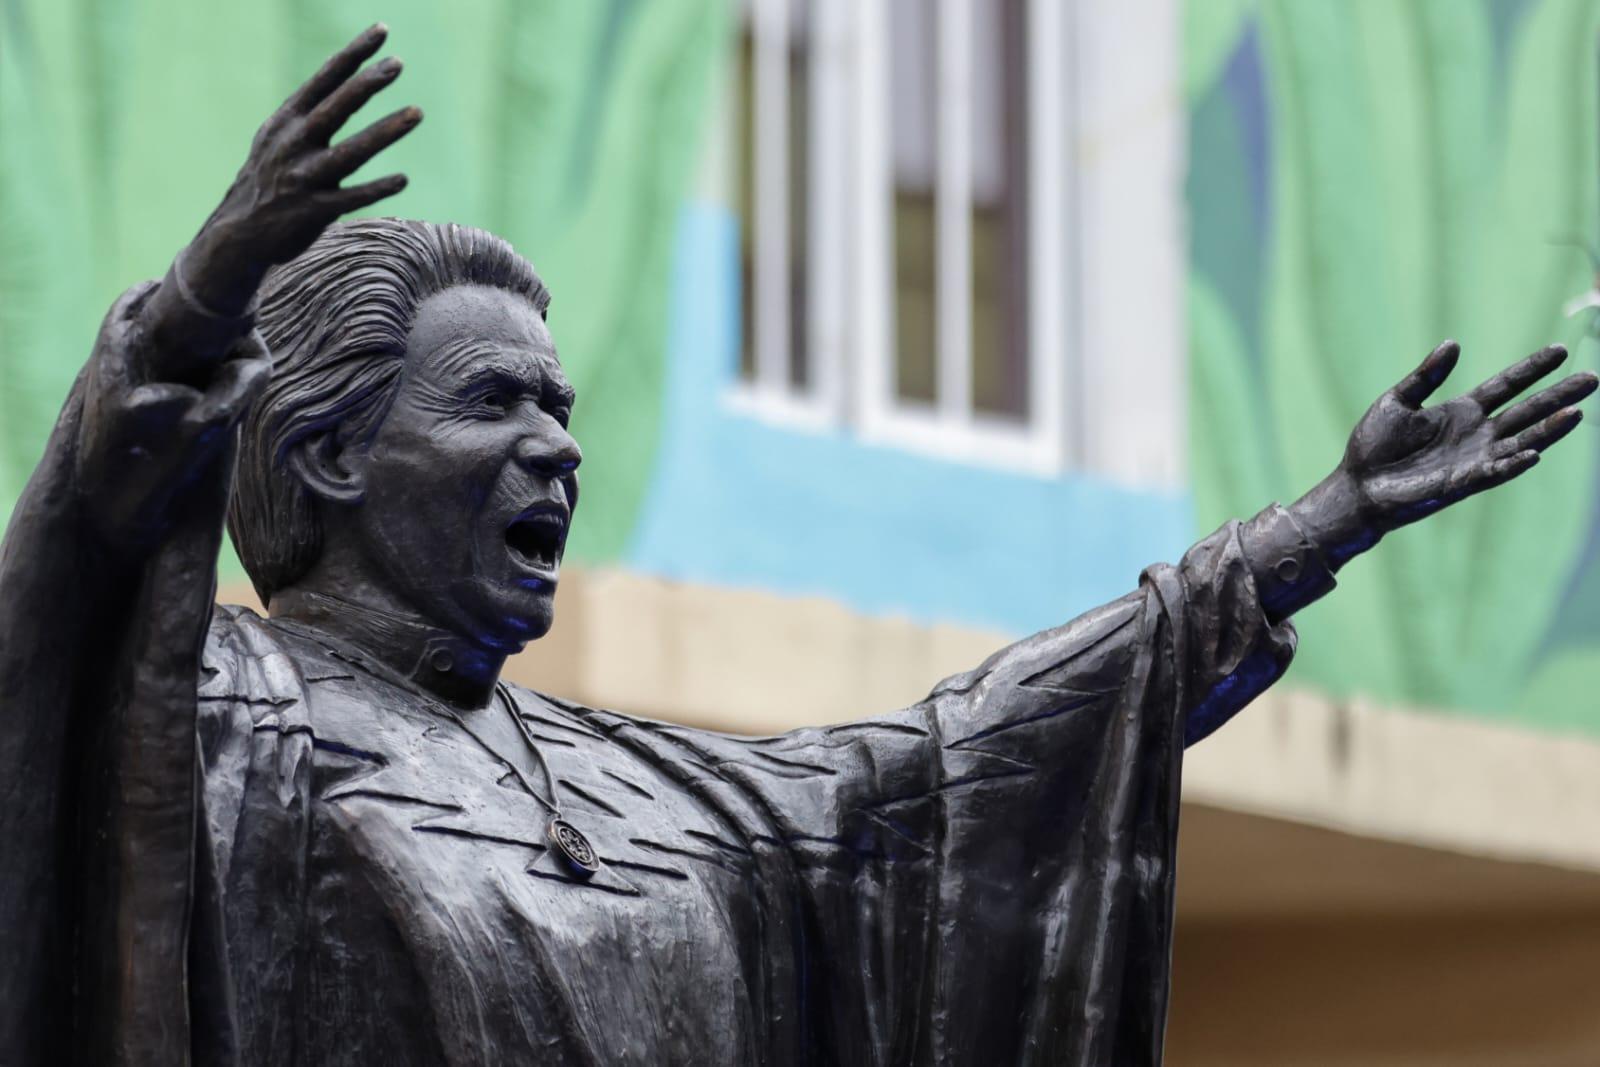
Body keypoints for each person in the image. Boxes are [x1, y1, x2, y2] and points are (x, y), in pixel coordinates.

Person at [1, 25, 1592, 1067]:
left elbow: (956, 763)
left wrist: (1309, 531)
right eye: (493, 403)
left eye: (563, 405)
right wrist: (201, 303)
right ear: (333, 449)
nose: (559, 444)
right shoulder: (219, 719)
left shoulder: (646, 783)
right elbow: (65, 620)